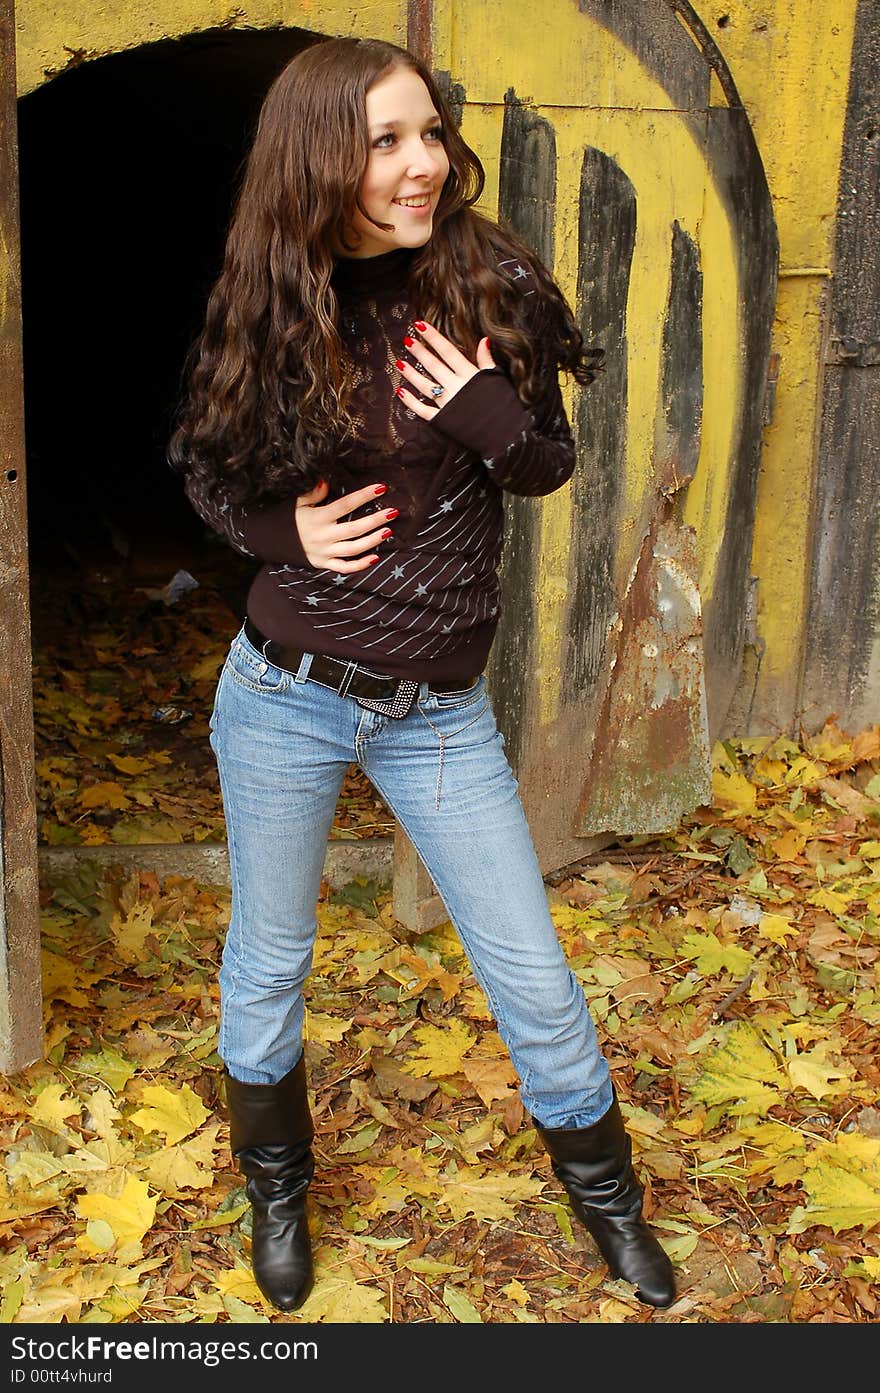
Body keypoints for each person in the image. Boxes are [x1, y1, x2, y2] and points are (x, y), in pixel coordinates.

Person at [168, 35, 675, 1314]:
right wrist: (286, 538)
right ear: (320, 158)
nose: (418, 165)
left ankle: (606, 1198)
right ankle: (276, 1188)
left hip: (434, 717)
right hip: (282, 692)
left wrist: (488, 413)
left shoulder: (484, 275)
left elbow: (545, 462)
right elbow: (205, 466)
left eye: (427, 134)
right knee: (269, 958)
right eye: (384, 141)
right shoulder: (274, 293)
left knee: (531, 972)